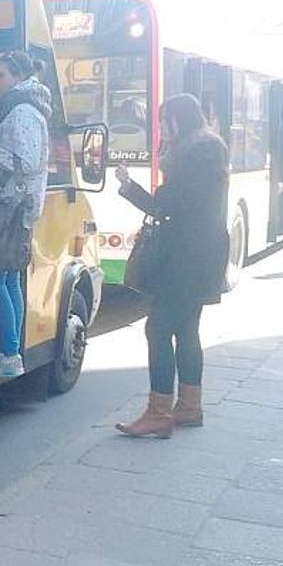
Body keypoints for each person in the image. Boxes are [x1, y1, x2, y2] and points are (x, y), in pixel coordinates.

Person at [114, 93, 229, 437]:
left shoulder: (200, 152)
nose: (163, 128)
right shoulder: (202, 148)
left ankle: (159, 412)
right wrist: (130, 187)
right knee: (185, 330)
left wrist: (144, 190)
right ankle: (189, 407)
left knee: (158, 329)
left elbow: (172, 204)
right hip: (198, 252)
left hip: (188, 256)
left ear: (181, 119)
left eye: (166, 122)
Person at [0, 51, 51, 378]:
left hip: (12, 205)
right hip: (22, 207)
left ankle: (10, 353)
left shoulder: (22, 111)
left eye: (1, 74)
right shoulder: (30, 108)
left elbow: (22, 162)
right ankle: (11, 350)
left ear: (17, 78)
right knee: (10, 278)